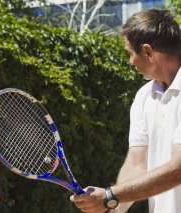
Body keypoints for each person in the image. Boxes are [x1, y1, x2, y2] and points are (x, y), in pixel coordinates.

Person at [70, 8, 181, 213]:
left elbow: (178, 169)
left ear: (147, 52)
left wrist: (110, 196)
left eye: (130, 53)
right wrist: (114, 208)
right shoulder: (143, 96)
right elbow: (137, 163)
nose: (130, 62)